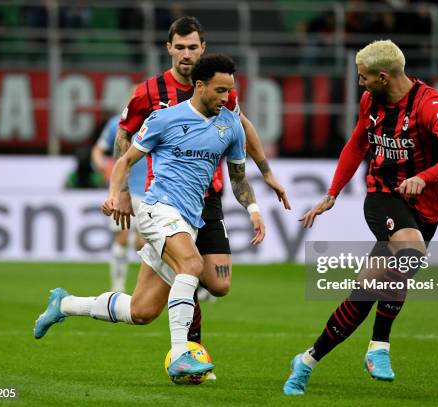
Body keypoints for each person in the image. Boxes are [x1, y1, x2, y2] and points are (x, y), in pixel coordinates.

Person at [34, 54, 265, 379]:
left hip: (191, 219)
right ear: (199, 86)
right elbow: (124, 160)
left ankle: (66, 304)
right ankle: (182, 353)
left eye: (230, 91)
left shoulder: (230, 127)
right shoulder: (163, 119)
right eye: (220, 90)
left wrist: (253, 210)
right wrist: (116, 194)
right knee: (192, 265)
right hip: (158, 209)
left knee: (140, 311)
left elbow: (239, 177)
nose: (226, 98)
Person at [283, 39, 438, 395]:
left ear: (384, 77)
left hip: (425, 206)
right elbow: (358, 144)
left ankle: (307, 360)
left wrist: (424, 177)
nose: (360, 84)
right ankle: (379, 347)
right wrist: (332, 193)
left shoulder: (430, 105)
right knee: (411, 252)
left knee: (365, 294)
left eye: (363, 78)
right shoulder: (371, 101)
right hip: (383, 196)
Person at [114, 16, 290, 346]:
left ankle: (175, 295)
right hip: (166, 199)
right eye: (179, 47)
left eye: (192, 47)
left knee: (218, 284)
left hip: (210, 197)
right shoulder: (149, 92)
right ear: (169, 48)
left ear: (202, 48)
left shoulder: (218, 88)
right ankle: (190, 352)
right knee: (189, 269)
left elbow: (244, 127)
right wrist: (123, 191)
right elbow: (123, 139)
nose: (186, 54)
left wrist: (266, 173)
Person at [91, 114, 146, 292]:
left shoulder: (159, 120)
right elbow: (98, 150)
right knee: (121, 238)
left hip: (151, 192)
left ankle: (145, 289)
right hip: (123, 191)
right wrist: (102, 165)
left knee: (142, 243)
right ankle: (117, 289)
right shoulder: (117, 123)